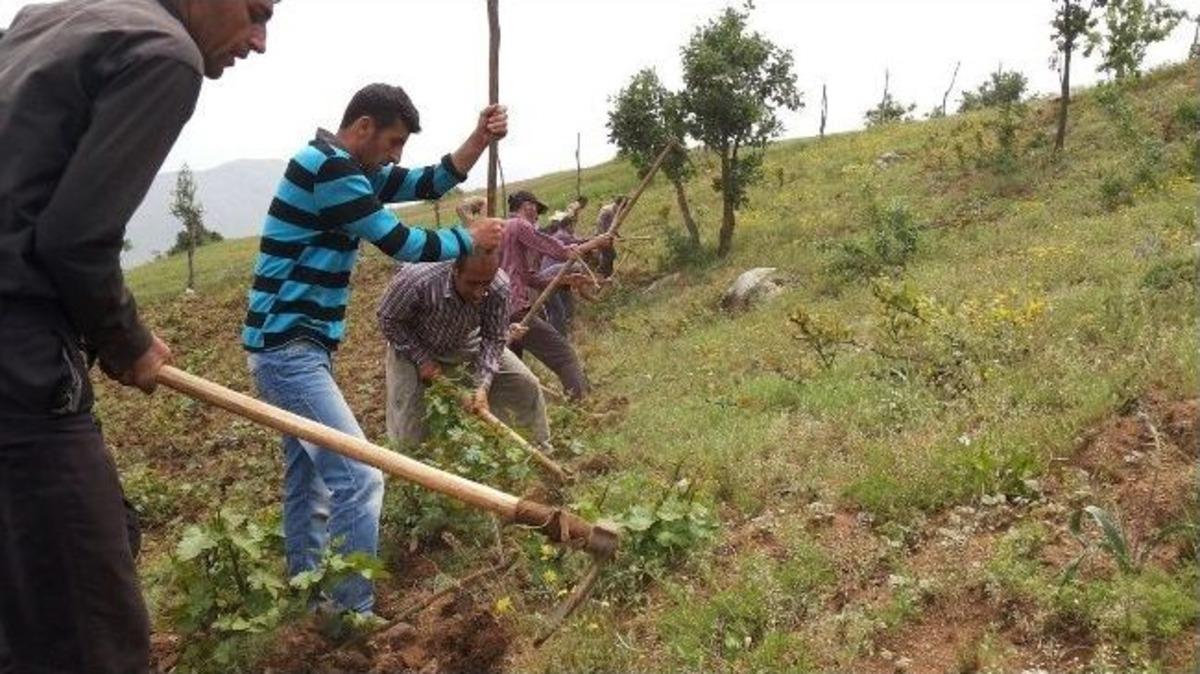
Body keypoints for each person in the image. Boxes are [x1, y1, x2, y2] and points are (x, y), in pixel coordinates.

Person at [0, 1, 274, 671]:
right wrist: (128, 342)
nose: (259, 41)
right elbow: (74, 239)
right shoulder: (163, 52)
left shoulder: (54, 17)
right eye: (255, 12)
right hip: (16, 354)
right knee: (93, 625)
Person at [243, 83, 507, 617]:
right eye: (391, 142)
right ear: (361, 127)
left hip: (295, 345)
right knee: (361, 477)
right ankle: (349, 611)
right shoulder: (329, 168)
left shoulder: (353, 171)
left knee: (308, 475)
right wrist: (468, 239)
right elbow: (399, 243)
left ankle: (307, 592)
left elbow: (428, 181)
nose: (395, 157)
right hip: (286, 347)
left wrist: (478, 139)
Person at [377, 251, 550, 449]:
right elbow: (388, 320)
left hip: (464, 339)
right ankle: (409, 466)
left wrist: (482, 385)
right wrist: (422, 358)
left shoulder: (498, 285)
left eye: (486, 283)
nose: (479, 292)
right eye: (472, 283)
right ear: (455, 270)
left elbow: (494, 338)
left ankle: (533, 448)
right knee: (410, 422)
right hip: (413, 344)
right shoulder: (417, 280)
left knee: (523, 384)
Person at [499, 190, 611, 400]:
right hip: (514, 309)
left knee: (513, 370)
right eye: (535, 211)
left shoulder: (503, 231)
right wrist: (594, 243)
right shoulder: (518, 225)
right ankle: (581, 405)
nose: (536, 217)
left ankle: (518, 415)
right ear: (527, 206)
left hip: (500, 311)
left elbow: (529, 278)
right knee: (564, 355)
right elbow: (555, 248)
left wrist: (565, 280)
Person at [594, 195, 628, 277]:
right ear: (620, 204)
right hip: (602, 236)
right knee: (608, 255)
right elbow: (600, 224)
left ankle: (608, 273)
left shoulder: (615, 211)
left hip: (608, 236)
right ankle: (602, 272)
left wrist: (618, 236)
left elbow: (613, 226)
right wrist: (603, 237)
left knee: (611, 255)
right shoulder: (607, 211)